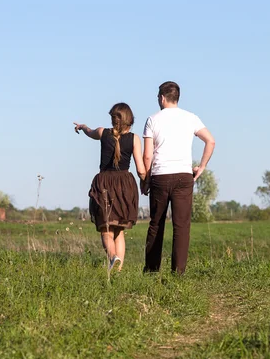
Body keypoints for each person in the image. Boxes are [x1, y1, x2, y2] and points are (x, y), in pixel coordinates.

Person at [141, 81, 215, 274]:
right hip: (183, 176)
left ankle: (151, 271)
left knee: (156, 224)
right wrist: (202, 167)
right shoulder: (191, 118)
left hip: (160, 176)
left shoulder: (152, 119)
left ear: (162, 98)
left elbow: (147, 155)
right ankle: (178, 273)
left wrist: (145, 179)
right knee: (181, 226)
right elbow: (210, 140)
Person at [74, 103, 146, 271]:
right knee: (119, 230)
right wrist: (146, 182)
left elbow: (89, 132)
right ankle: (117, 271)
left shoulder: (102, 132)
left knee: (106, 229)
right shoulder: (134, 139)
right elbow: (141, 170)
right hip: (125, 185)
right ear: (130, 120)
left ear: (113, 118)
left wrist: (82, 126)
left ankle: (113, 257)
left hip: (104, 183)